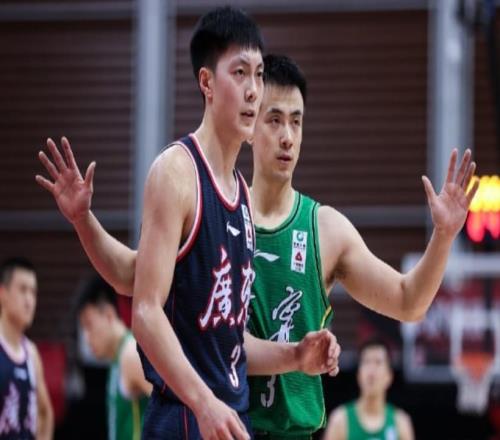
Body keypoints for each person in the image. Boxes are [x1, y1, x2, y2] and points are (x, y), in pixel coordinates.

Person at [37, 46, 478, 438]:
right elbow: (133, 275)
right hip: (221, 422)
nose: (287, 136)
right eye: (275, 120)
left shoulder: (325, 228)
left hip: (290, 431)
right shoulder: (215, 205)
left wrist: (443, 237)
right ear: (250, 122)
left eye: (297, 122)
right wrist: (83, 221)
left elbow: (408, 301)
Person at [37, 7, 340, 440]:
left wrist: (295, 356)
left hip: (229, 415)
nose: (253, 90)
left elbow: (228, 340)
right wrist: (203, 402)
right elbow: (145, 310)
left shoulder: (239, 193)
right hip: (185, 417)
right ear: (207, 83)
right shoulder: (176, 173)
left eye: (258, 75)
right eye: (240, 73)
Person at [75, 275, 151, 440]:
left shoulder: (130, 354)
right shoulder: (117, 357)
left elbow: (174, 407)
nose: (86, 338)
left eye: (89, 325)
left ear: (109, 315)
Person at [0, 257, 53, 440]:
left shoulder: (31, 353)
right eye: (23, 290)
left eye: (33, 293)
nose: (29, 300)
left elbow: (45, 414)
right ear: (3, 294)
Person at [323, 338, 414, 440]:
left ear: (389, 376)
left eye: (378, 362)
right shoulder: (340, 420)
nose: (371, 371)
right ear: (358, 375)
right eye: (366, 362)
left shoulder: (401, 423)